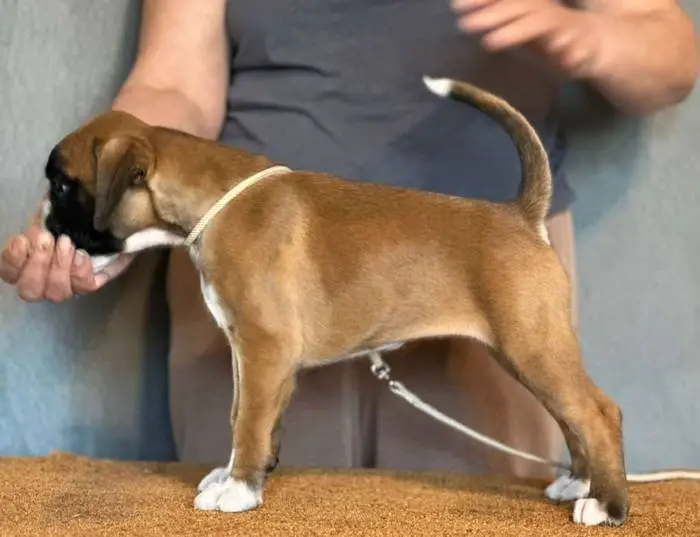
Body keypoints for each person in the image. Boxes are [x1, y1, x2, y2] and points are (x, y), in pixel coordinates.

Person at [1, 0, 697, 478]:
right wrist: (99, 190)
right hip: (251, 260)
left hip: (481, 254)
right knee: (252, 505)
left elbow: (670, 51)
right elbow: (175, 79)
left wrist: (600, 39)